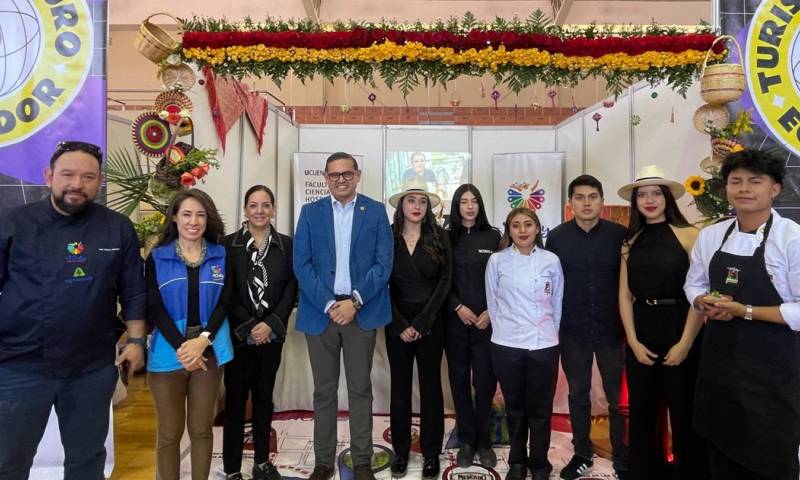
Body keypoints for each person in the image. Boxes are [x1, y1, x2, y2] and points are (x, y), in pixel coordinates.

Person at [0, 141, 146, 480]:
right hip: (20, 365)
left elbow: (133, 288)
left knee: (87, 461)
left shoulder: (116, 227)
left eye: (88, 176)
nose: (77, 184)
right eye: (67, 174)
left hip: (91, 368)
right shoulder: (14, 222)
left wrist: (136, 341)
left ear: (99, 181)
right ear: (49, 176)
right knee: (9, 462)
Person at [685, 150, 800, 480]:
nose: (744, 189)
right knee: (721, 444)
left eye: (755, 181)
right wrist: (703, 302)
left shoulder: (791, 239)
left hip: (773, 367)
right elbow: (692, 285)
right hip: (720, 362)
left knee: (769, 451)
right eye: (736, 181)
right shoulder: (711, 237)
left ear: (775, 189)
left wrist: (744, 310)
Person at [294, 152, 394, 480]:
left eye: (346, 174)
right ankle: (323, 462)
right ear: (325, 178)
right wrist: (328, 303)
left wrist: (354, 301)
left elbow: (383, 264)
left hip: (360, 313)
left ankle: (362, 460)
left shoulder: (376, 211)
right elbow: (302, 265)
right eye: (334, 174)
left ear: (358, 175)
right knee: (323, 391)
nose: (340, 179)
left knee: (360, 389)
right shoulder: (310, 213)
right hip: (321, 314)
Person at [617, 166, 706, 480]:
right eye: (643, 195)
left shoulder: (691, 235)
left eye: (656, 193)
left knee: (683, 410)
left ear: (668, 198)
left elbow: (700, 292)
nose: (650, 200)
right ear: (635, 202)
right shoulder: (630, 240)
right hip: (642, 330)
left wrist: (685, 343)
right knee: (642, 411)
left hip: (682, 326)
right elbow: (625, 296)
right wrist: (633, 340)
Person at [146, 188, 234, 480]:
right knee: (170, 434)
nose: (193, 221)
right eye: (186, 214)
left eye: (200, 214)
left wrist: (202, 341)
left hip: (208, 352)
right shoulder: (157, 258)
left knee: (201, 430)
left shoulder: (222, 255)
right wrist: (184, 348)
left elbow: (225, 302)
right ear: (174, 217)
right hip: (168, 354)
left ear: (207, 220)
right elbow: (155, 308)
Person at [545, 175, 629, 480]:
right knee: (578, 394)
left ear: (602, 201)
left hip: (612, 329)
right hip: (573, 329)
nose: (586, 203)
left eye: (593, 197)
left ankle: (623, 455)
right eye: (579, 197)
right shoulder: (556, 238)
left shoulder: (621, 235)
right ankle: (581, 453)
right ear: (570, 204)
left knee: (615, 398)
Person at [222, 185, 298, 480]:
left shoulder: (286, 245)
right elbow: (226, 292)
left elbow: (291, 286)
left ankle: (262, 462)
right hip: (240, 337)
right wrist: (250, 327)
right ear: (244, 209)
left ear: (273, 209)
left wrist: (271, 324)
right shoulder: (228, 245)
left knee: (265, 397)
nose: (259, 211)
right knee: (236, 400)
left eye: (265, 205)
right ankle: (231, 468)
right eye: (253, 205)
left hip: (272, 335)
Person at [485, 207, 563, 480]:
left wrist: (549, 335)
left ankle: (540, 465)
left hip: (544, 346)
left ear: (538, 228)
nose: (522, 230)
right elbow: (492, 303)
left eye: (528, 224)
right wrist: (507, 331)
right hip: (507, 345)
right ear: (509, 230)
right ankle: (517, 463)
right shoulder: (497, 261)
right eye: (515, 225)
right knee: (515, 409)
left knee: (540, 411)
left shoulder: (551, 261)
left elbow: (557, 303)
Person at [386, 181, 452, 480]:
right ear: (401, 205)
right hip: (395, 323)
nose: (416, 206)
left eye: (422, 202)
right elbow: (381, 282)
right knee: (399, 388)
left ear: (428, 208)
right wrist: (400, 323)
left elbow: (445, 280)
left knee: (430, 389)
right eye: (411, 200)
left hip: (431, 323)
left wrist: (424, 321)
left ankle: (430, 453)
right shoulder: (387, 236)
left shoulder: (440, 236)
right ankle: (400, 452)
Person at [444, 184, 501, 469]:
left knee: (485, 383)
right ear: (456, 206)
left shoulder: (494, 236)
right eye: (463, 202)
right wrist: (457, 306)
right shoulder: (445, 237)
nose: (469, 206)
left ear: (480, 205)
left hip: (486, 324)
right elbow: (441, 280)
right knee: (459, 382)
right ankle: (466, 440)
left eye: (474, 201)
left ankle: (484, 440)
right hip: (455, 322)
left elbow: (504, 279)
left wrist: (490, 311)